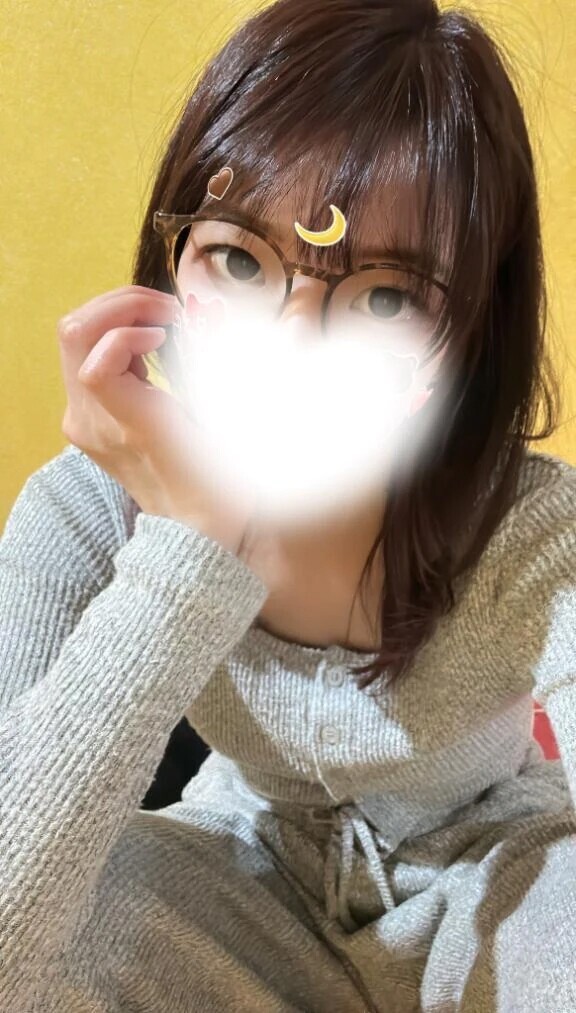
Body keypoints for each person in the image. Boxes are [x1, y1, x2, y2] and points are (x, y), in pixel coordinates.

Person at [1, 0, 575, 1009]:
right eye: (238, 260)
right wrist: (187, 547)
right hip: (235, 879)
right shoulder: (91, 509)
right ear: (172, 257)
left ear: (470, 333)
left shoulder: (527, 527)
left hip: (496, 881)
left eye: (385, 297)